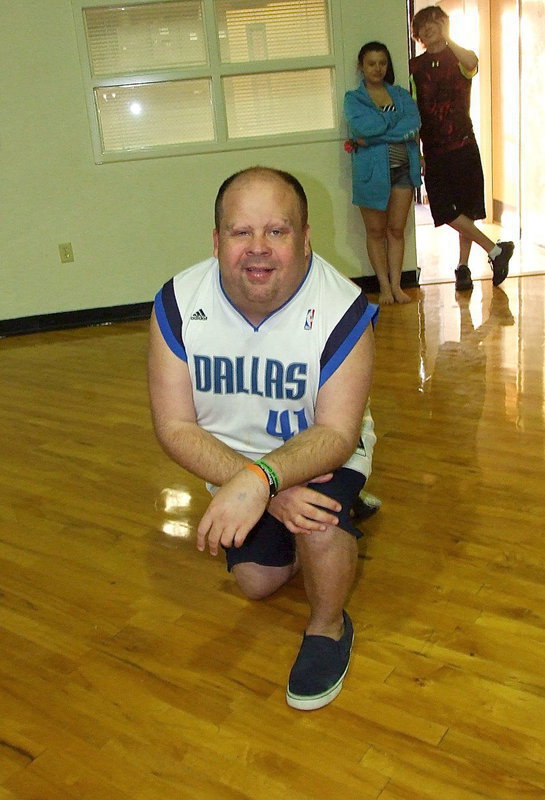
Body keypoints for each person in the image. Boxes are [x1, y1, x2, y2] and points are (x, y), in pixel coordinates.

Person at [148, 166, 378, 711]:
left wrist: (266, 481)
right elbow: (174, 426)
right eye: (240, 232)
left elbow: (338, 432)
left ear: (304, 238)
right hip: (234, 461)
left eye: (276, 231)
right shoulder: (178, 305)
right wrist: (262, 487)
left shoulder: (343, 309)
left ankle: (327, 626)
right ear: (216, 240)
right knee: (256, 581)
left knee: (318, 521)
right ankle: (322, 524)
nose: (258, 248)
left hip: (316, 451)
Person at [409, 5, 514, 292]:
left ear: (444, 24)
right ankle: (495, 250)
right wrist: (416, 149)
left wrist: (449, 38)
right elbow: (413, 111)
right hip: (433, 148)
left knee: (465, 209)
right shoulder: (414, 68)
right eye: (423, 26)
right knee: (443, 208)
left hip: (464, 144)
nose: (430, 29)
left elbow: (472, 63)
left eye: (435, 22)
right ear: (417, 34)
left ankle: (463, 267)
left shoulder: (459, 57)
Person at [344, 41, 422, 305]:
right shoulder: (354, 99)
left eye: (382, 63)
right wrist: (392, 125)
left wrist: (376, 134)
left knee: (396, 230)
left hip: (402, 171)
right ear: (361, 67)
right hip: (371, 174)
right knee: (376, 232)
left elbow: (414, 124)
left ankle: (398, 286)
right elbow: (362, 128)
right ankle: (384, 287)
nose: (377, 68)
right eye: (371, 63)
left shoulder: (400, 94)